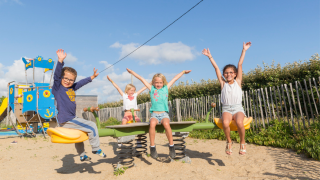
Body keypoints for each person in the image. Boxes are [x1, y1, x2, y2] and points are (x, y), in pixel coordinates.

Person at [52, 49, 106, 162]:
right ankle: (96, 148)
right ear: (61, 78)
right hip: (67, 119)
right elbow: (56, 76)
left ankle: (82, 155)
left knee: (79, 135)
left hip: (70, 119)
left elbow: (81, 83)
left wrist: (92, 77)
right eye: (65, 78)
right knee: (92, 126)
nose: (68, 81)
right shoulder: (58, 88)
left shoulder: (72, 88)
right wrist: (60, 61)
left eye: (71, 80)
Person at [127, 68, 191, 159]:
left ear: (163, 82)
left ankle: (171, 146)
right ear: (153, 82)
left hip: (164, 114)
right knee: (152, 123)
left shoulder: (166, 88)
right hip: (154, 115)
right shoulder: (151, 89)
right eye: (156, 82)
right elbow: (141, 78)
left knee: (166, 123)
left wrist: (183, 72)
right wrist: (132, 72)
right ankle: (152, 147)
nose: (158, 84)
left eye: (160, 82)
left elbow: (175, 78)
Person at [202, 42, 252, 155]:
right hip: (226, 109)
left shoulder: (238, 82)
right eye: (226, 73)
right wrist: (210, 57)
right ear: (224, 74)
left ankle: (242, 143)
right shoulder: (223, 83)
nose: (228, 74)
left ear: (235, 74)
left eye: (231, 72)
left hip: (238, 108)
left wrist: (244, 50)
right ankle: (229, 142)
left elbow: (240, 64)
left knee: (239, 122)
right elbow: (216, 68)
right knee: (225, 123)